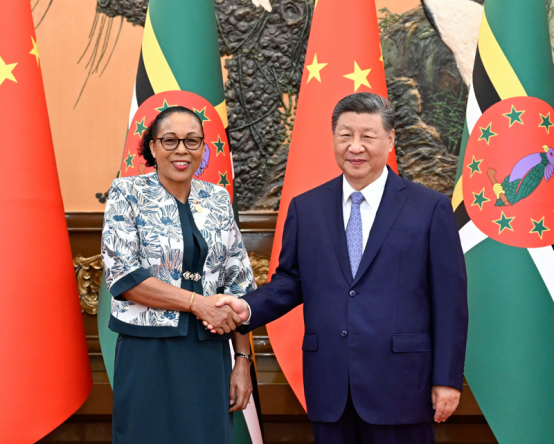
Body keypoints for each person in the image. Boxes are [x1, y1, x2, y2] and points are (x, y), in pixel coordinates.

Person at [209, 93, 469, 444]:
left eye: (367, 136)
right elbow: (292, 280)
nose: (355, 146)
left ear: (390, 140)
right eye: (346, 135)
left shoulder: (429, 208)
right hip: (330, 386)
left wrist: (447, 379)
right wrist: (247, 307)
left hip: (403, 385)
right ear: (333, 139)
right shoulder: (307, 208)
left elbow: (450, 303)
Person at [101, 106, 255, 444]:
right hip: (147, 352)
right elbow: (124, 276)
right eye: (170, 140)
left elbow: (239, 284)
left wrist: (242, 361)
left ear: (203, 148)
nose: (181, 150)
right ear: (153, 147)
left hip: (209, 352)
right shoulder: (127, 193)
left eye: (192, 141)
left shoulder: (217, 199)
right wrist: (198, 303)